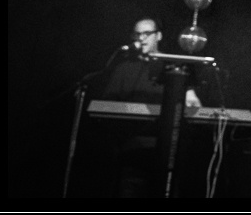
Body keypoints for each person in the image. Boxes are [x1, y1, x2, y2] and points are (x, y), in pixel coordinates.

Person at [85, 17, 204, 197]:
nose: (141, 38)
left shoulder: (173, 67)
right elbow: (106, 108)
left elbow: (193, 104)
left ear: (159, 36)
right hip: (132, 152)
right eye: (137, 34)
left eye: (147, 33)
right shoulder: (123, 69)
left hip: (169, 153)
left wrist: (191, 102)